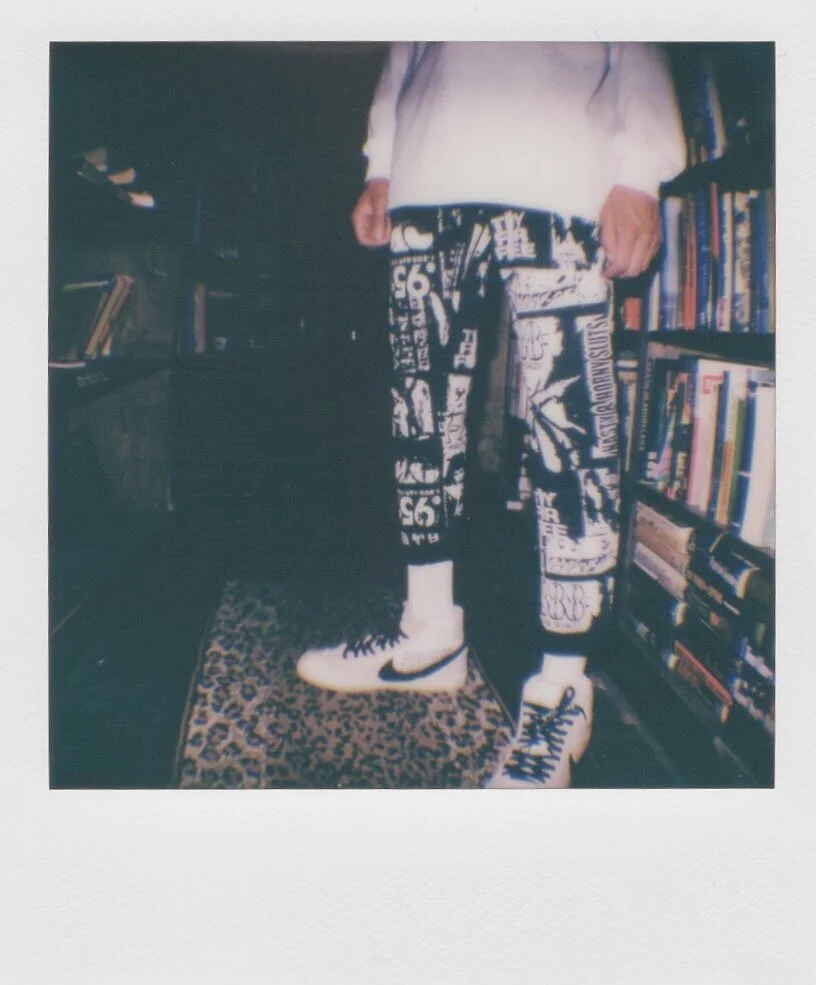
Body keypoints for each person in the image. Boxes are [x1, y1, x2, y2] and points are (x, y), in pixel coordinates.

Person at [297, 42, 686, 788]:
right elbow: (407, 40)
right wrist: (382, 160)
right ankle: (429, 635)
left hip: (561, 169)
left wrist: (638, 170)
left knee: (571, 432)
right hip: (427, 169)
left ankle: (563, 685)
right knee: (422, 416)